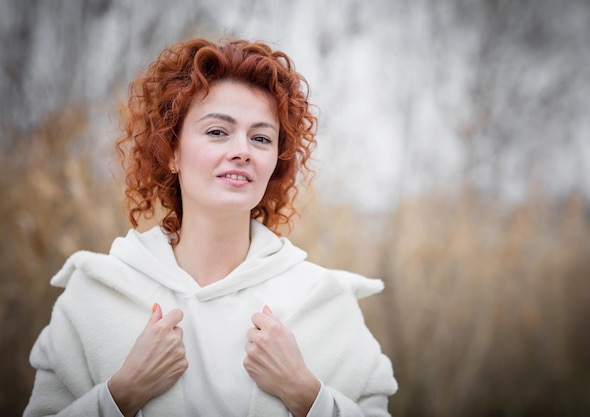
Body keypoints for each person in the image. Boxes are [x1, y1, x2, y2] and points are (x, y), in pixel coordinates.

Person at [23, 37, 397, 417]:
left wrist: (308, 396)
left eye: (261, 138)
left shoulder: (321, 302)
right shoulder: (97, 296)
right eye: (218, 131)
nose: (242, 150)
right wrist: (120, 395)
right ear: (171, 151)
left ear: (275, 163)